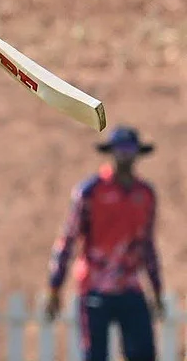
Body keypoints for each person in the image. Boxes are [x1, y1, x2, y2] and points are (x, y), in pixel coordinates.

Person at [45, 125, 164, 361]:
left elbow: (147, 245)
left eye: (129, 149)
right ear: (111, 152)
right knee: (95, 355)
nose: (125, 155)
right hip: (95, 286)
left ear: (137, 153)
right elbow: (68, 239)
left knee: (143, 353)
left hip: (130, 285)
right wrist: (55, 287)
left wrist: (157, 289)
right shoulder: (91, 191)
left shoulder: (145, 194)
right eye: (120, 149)